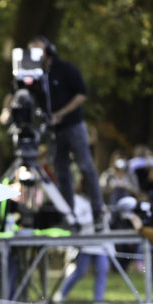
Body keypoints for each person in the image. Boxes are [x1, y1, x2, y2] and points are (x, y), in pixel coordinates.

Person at [29, 35, 103, 225]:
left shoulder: (66, 69)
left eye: (38, 50)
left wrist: (61, 113)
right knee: (61, 172)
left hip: (73, 125)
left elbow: (81, 94)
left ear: (48, 51)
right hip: (54, 131)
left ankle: (98, 211)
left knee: (86, 166)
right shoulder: (37, 75)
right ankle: (68, 216)